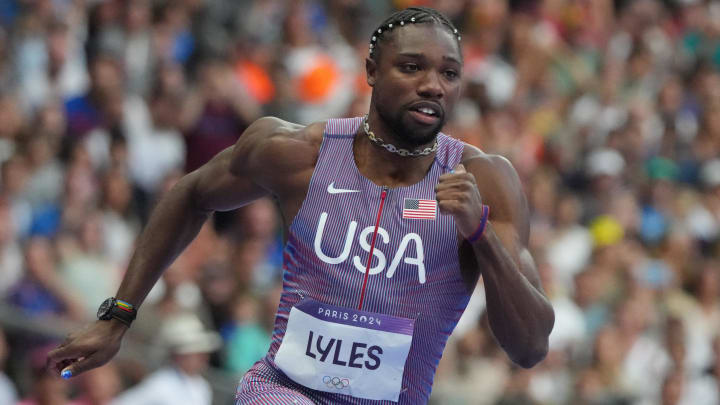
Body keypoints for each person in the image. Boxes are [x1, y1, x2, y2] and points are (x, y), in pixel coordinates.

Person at [48, 7, 554, 404]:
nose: (432, 85)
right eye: (411, 67)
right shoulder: (299, 154)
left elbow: (530, 346)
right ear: (371, 71)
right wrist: (118, 314)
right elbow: (189, 194)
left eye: (449, 73)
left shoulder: (483, 182)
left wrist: (479, 232)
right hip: (281, 391)